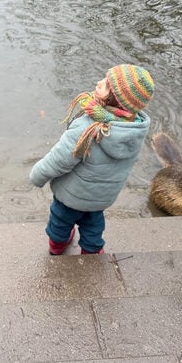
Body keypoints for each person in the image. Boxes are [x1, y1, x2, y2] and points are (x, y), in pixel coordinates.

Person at [30, 64, 155, 255]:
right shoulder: (134, 130)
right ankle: (92, 251)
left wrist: (37, 176)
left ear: (114, 98)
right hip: (102, 197)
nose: (98, 82)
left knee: (60, 220)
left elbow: (60, 159)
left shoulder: (88, 128)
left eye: (106, 84)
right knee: (93, 224)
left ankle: (57, 246)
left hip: (72, 195)